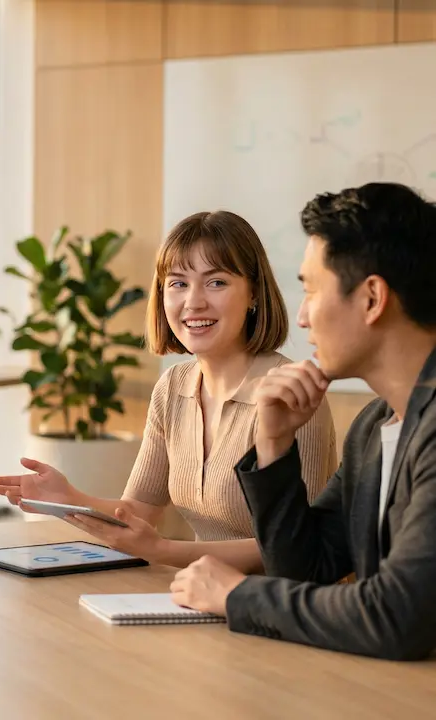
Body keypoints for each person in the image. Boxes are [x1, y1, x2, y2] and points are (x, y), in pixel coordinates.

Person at [171, 182, 436, 660]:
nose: (303, 316)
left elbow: (398, 616)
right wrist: (273, 444)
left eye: (312, 290)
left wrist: (234, 595)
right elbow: (306, 570)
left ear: (372, 299)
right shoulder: (375, 427)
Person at [0, 210, 338, 572]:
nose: (194, 302)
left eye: (216, 282)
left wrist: (166, 552)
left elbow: (298, 549)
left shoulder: (291, 394)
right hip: (204, 592)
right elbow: (139, 512)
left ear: (253, 293)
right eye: (178, 283)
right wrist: (71, 499)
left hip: (282, 605)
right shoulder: (173, 387)